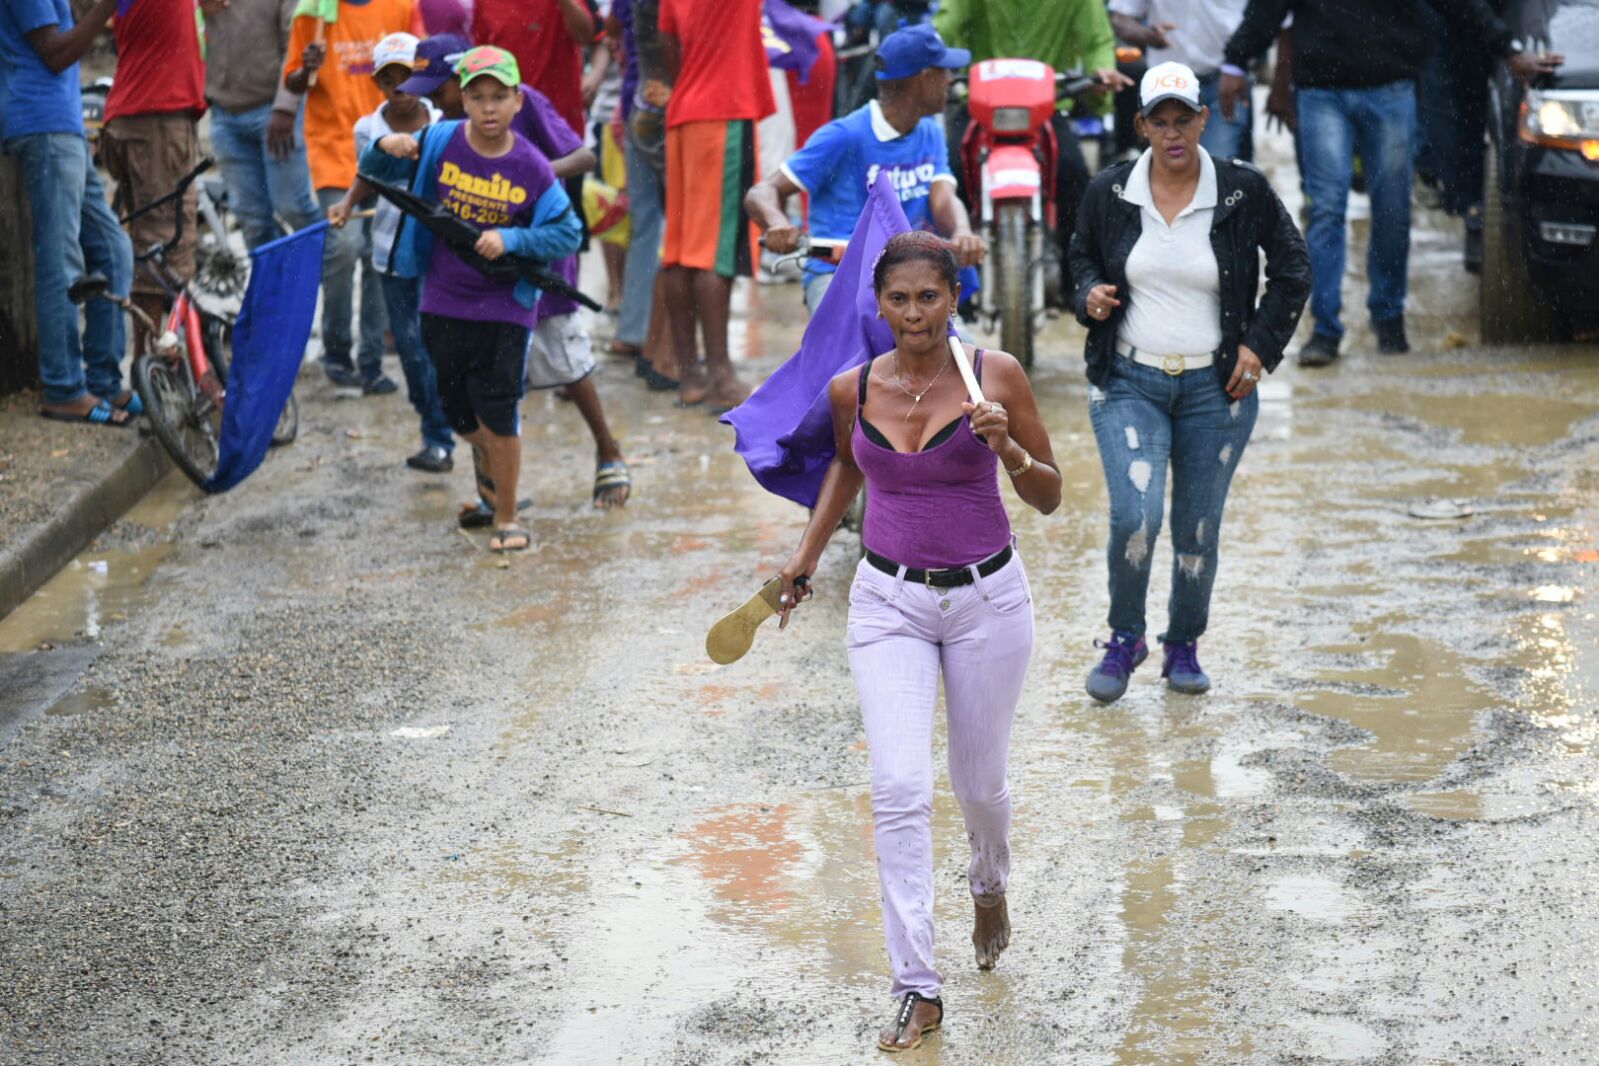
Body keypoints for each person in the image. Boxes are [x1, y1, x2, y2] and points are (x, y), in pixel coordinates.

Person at [776, 232, 1061, 1054]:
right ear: (877, 303)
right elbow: (845, 467)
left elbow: (1048, 494)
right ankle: (917, 987)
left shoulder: (994, 375)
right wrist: (803, 557)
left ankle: (988, 883)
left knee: (978, 788)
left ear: (954, 296)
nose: (913, 315)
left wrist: (1005, 445)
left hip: (986, 603)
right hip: (886, 603)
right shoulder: (851, 387)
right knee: (897, 787)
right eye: (897, 299)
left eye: (928, 298)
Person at [1068, 62, 1308, 701]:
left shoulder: (1240, 192)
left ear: (1205, 120)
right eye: (1160, 122)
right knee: (1134, 517)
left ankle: (1183, 645)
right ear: (1141, 124)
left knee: (1197, 529)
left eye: (1185, 121)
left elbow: (1293, 269)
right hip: (1128, 381)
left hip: (1218, 392)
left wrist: (1259, 348)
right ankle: (1126, 638)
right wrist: (1088, 294)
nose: (1173, 134)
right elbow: (1079, 256)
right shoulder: (1111, 191)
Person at [1219, 0, 1557, 365]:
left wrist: (1508, 48)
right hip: (1321, 92)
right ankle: (1324, 329)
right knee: (1325, 211)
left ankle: (1389, 319)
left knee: (1392, 209)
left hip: (1390, 90)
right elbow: (1267, 10)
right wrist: (1236, 62)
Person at [362, 45, 583, 551]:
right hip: (442, 299)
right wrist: (387, 147)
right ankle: (490, 464)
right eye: (477, 95)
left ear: (517, 102)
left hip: (508, 306)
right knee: (456, 410)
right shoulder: (438, 140)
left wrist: (514, 240)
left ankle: (507, 516)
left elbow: (567, 233)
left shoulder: (531, 167)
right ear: (461, 97)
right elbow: (375, 171)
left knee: (501, 408)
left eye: (498, 97)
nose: (487, 107)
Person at [403, 34, 632, 509]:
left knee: (566, 362)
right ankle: (494, 495)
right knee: (481, 386)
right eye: (463, 97)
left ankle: (609, 450)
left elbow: (585, 156)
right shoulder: (447, 128)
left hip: (535, 265)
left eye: (437, 91)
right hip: (475, 280)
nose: (436, 102)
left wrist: (525, 175)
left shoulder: (521, 105)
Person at [746, 23, 985, 315]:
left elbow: (943, 197)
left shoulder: (929, 131)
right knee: (841, 355)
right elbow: (762, 192)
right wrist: (777, 223)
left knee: (963, 357)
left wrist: (961, 230)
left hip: (909, 276)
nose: (950, 80)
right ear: (924, 79)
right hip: (837, 274)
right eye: (944, 72)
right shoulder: (844, 136)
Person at [0, 0, 137, 426]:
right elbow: (55, 53)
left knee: (113, 249)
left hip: (64, 123)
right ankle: (63, 388)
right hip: (41, 123)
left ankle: (104, 380)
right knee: (62, 261)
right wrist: (104, 10)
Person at [329, 32, 454, 474]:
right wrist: (346, 202)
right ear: (378, 84)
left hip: (440, 251)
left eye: (406, 78)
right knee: (410, 346)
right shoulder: (370, 127)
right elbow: (369, 170)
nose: (399, 90)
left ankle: (445, 431)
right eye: (389, 80)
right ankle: (434, 428)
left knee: (438, 343)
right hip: (392, 252)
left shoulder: (443, 119)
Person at [279, 0, 416, 393]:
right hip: (334, 148)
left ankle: (371, 360)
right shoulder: (313, 12)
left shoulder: (401, 7)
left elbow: (420, 68)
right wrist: (307, 67)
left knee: (380, 252)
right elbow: (293, 82)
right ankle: (336, 349)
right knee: (341, 247)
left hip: (388, 148)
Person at [934, 0, 1132, 266]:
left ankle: (1076, 277)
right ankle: (948, 275)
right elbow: (946, 23)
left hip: (1044, 109)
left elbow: (1097, 41)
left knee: (1074, 177)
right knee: (951, 174)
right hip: (980, 106)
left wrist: (1101, 69)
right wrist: (929, 52)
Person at [658, 0, 776, 411]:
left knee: (680, 251)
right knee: (715, 252)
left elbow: (668, 45)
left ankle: (690, 375)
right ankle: (722, 377)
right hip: (725, 111)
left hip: (684, 114)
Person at [99, 0, 209, 347]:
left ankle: (157, 362)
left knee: (152, 244)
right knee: (166, 247)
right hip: (157, 121)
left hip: (146, 116)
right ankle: (157, 365)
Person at [206, 0, 321, 252]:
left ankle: (329, 269)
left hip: (274, 112)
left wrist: (286, 107)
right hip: (224, 116)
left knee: (293, 206)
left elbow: (295, 45)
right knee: (251, 218)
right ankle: (276, 287)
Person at [1107, 0, 1252, 160]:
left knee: (1218, 164)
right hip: (1165, 86)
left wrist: (1237, 64)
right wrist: (1145, 34)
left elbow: (1265, 16)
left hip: (1224, 77)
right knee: (1168, 164)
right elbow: (1120, 18)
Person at [473, 0, 595, 134]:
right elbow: (481, 57)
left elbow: (585, 36)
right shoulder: (485, 3)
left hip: (559, 118)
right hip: (509, 121)